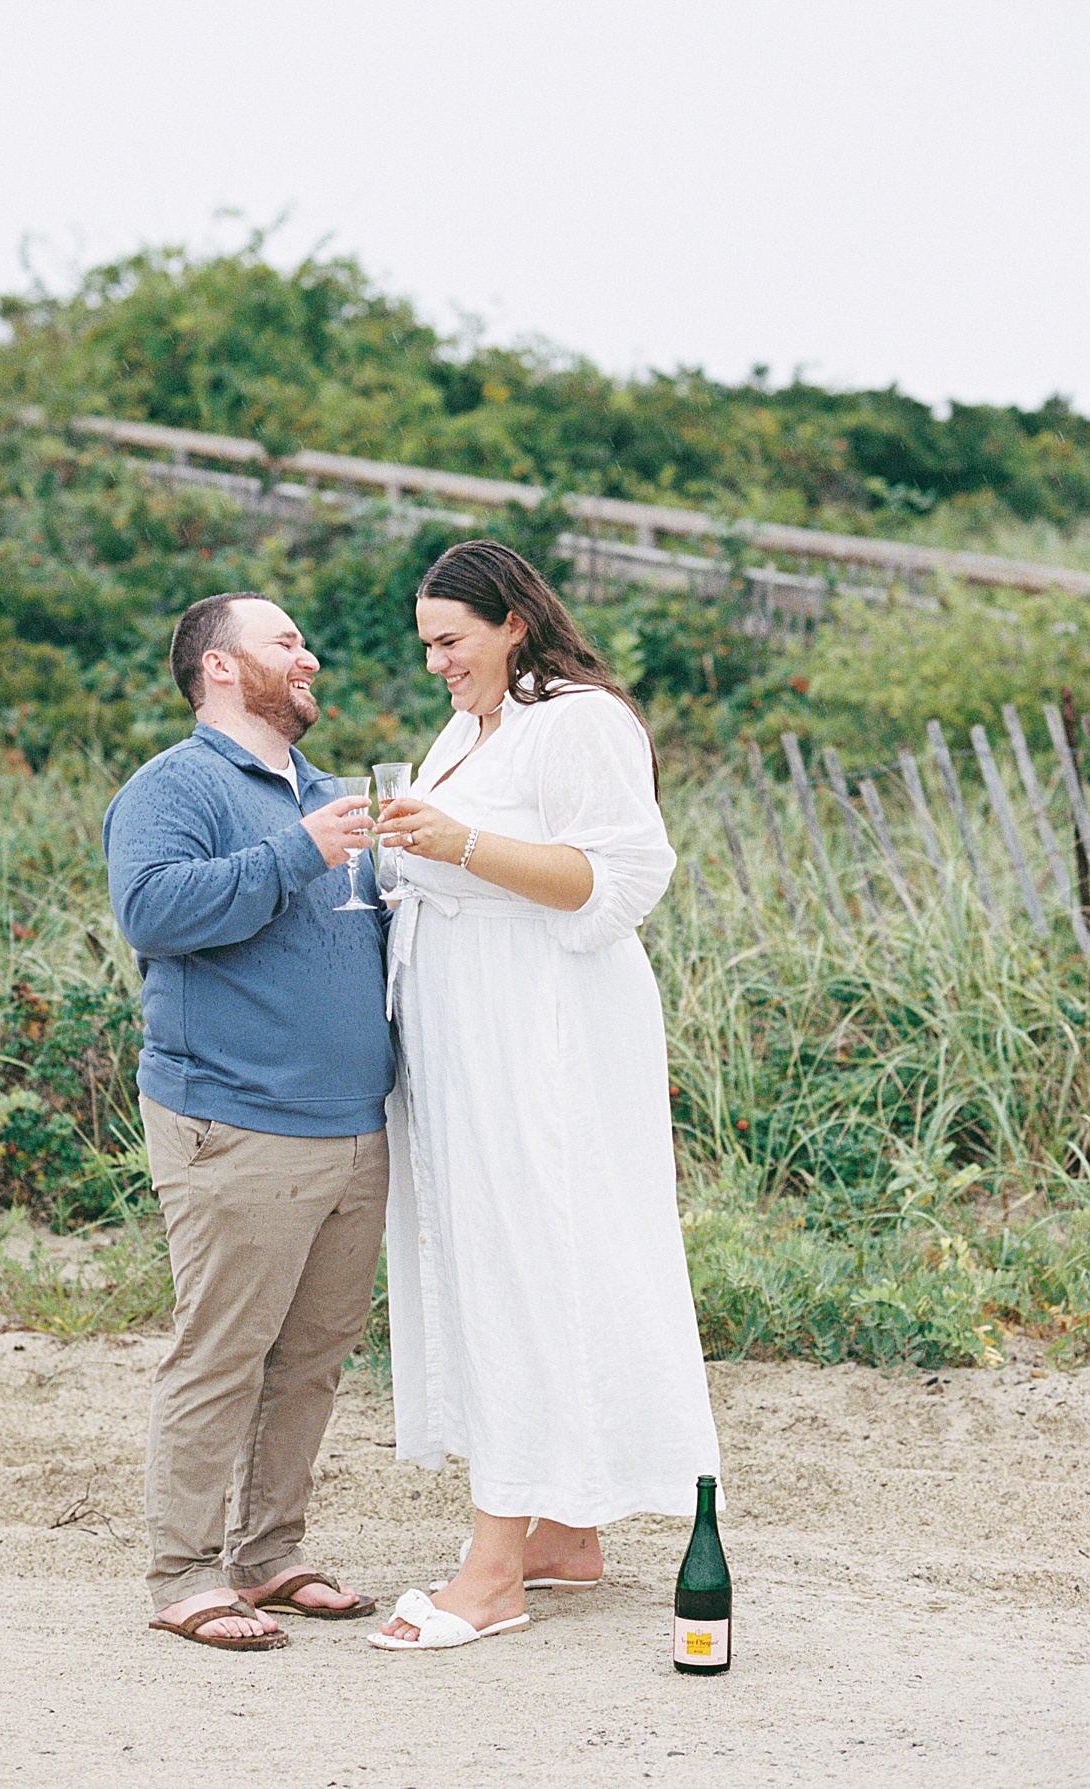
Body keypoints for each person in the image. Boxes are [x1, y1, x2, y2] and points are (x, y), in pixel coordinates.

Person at [369, 540, 722, 1652]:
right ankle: (565, 1531)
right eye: (425, 644)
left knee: (529, 1253)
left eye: (450, 641)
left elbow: (619, 875)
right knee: (494, 1254)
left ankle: (492, 1575)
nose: (435, 662)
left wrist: (461, 842)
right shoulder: (472, 726)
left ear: (513, 621)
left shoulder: (580, 719)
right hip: (467, 1029)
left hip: (544, 1034)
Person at [103, 591, 394, 1650]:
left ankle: (269, 1557)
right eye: (284, 642)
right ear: (221, 667)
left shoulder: (321, 789)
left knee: (315, 1356)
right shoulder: (174, 785)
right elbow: (153, 911)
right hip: (236, 1118)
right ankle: (182, 1575)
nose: (308, 655)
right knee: (221, 1352)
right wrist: (295, 854)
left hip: (354, 1128)